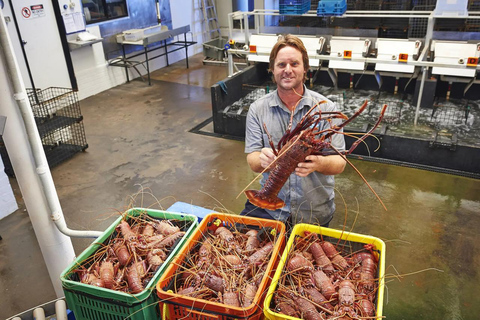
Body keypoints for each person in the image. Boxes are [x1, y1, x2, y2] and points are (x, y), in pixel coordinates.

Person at [240, 34, 346, 228]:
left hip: (314, 212)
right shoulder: (258, 109)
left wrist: (319, 163)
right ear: (272, 69)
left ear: (305, 68)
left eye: (294, 64)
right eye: (281, 65)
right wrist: (263, 160)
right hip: (271, 211)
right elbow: (252, 159)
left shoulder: (327, 109)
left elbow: (340, 163)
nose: (287, 70)